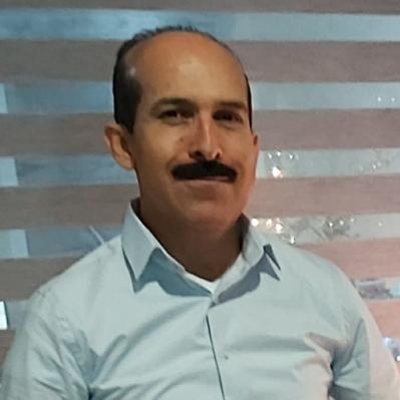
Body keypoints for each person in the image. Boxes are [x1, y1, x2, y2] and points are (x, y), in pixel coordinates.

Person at [0, 25, 399, 400]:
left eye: (227, 117)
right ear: (123, 145)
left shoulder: (326, 292)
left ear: (253, 148)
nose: (208, 147)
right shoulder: (62, 322)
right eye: (175, 114)